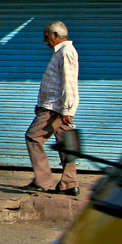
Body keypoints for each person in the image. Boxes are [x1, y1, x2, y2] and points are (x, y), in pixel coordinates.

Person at [25, 21, 80, 196]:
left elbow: (69, 84)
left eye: (46, 36)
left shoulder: (66, 52)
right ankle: (69, 184)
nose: (44, 40)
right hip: (57, 108)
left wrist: (67, 110)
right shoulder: (61, 53)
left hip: (54, 108)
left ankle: (43, 180)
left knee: (33, 137)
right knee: (66, 145)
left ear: (55, 35)